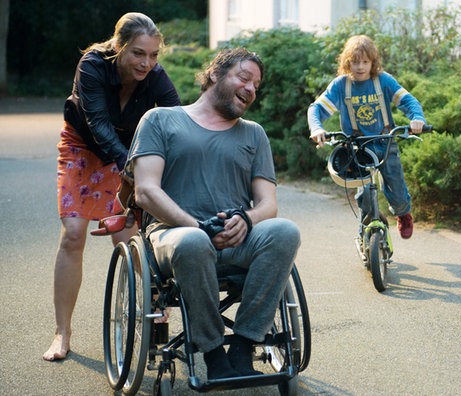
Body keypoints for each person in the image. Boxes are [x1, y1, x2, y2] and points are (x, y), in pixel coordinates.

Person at [127, 48, 300, 379]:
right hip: (174, 236)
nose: (251, 89)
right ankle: (212, 352)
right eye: (244, 78)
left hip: (236, 238)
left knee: (285, 231)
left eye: (256, 86)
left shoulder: (253, 133)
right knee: (193, 240)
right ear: (215, 74)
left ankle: (244, 344)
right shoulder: (161, 119)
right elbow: (146, 191)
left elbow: (268, 204)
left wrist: (248, 220)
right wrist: (197, 227)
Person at [44, 12, 180, 362]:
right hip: (83, 144)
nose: (146, 63)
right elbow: (99, 125)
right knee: (74, 232)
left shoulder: (156, 77)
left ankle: (155, 312)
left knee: (131, 239)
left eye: (153, 55)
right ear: (119, 46)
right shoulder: (92, 64)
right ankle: (62, 331)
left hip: (129, 152)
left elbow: (177, 121)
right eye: (138, 53)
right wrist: (131, 171)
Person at [307, 34, 426, 240]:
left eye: (365, 62)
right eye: (355, 62)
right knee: (364, 196)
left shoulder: (383, 81)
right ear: (347, 63)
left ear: (373, 62)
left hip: (385, 142)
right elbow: (316, 109)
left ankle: (403, 214)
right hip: (357, 147)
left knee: (397, 190)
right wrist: (317, 128)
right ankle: (369, 225)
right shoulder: (341, 85)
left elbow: (408, 101)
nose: (360, 67)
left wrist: (417, 118)